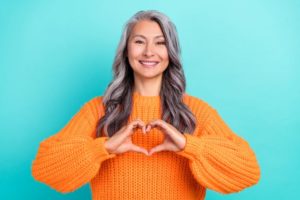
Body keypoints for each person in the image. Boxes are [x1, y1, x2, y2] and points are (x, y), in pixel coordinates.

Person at [31, 10, 260, 200]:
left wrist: (189, 147)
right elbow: (44, 168)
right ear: (126, 50)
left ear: (170, 53)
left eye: (160, 43)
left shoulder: (196, 112)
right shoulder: (99, 110)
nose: (149, 52)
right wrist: (104, 148)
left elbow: (247, 171)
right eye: (139, 41)